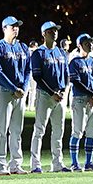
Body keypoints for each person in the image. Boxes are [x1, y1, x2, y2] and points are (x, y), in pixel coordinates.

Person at [0, 16, 31, 175]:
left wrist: (23, 88)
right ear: (4, 29)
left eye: (17, 26)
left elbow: (28, 70)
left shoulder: (23, 47)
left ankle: (16, 164)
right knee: (1, 128)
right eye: (12, 26)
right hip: (4, 91)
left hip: (19, 92)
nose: (15, 28)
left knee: (17, 130)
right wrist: (14, 88)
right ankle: (0, 165)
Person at [29, 21, 71, 173]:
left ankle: (57, 163)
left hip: (60, 95)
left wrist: (64, 91)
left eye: (55, 30)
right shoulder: (38, 53)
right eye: (50, 31)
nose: (54, 33)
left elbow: (67, 74)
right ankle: (35, 164)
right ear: (43, 34)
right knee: (39, 130)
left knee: (58, 131)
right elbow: (37, 76)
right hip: (45, 95)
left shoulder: (61, 52)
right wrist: (52, 93)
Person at [68, 33, 93, 172]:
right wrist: (92, 95)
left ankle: (89, 162)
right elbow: (76, 82)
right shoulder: (75, 62)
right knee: (77, 131)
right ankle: (74, 163)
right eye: (86, 43)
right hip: (80, 99)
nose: (90, 45)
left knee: (92, 132)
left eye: (90, 42)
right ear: (79, 46)